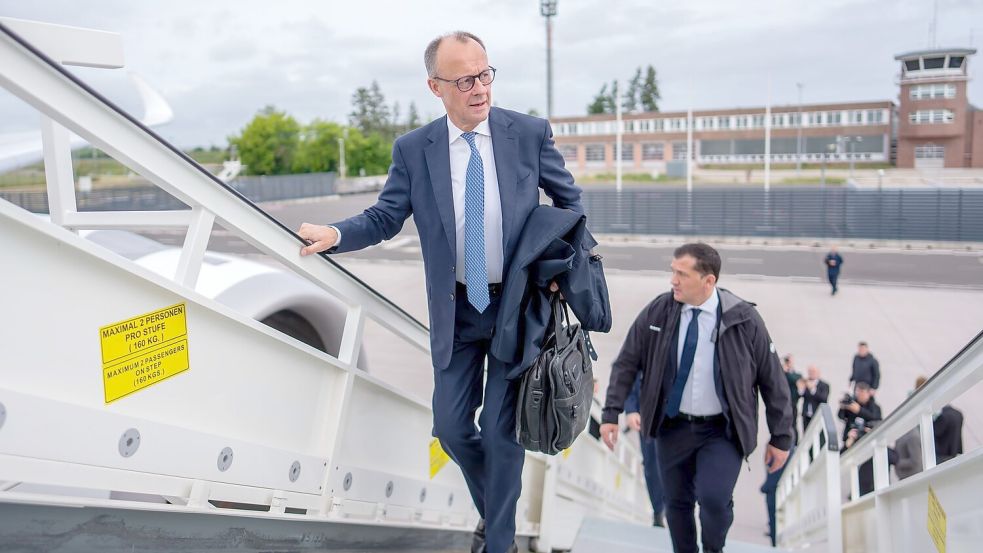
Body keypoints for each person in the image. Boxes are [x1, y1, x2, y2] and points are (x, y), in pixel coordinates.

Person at [296, 31, 582, 553]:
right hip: (458, 311)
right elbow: (385, 217)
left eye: (485, 74)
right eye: (465, 80)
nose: (480, 88)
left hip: (518, 309)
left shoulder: (527, 133)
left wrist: (568, 267)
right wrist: (335, 234)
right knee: (450, 429)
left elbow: (571, 204)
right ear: (436, 86)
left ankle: (501, 543)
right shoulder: (414, 149)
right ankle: (495, 511)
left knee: (502, 435)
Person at [600, 243, 793, 553]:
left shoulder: (744, 320)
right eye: (673, 272)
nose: (673, 280)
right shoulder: (658, 311)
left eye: (682, 274)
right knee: (676, 503)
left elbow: (773, 380)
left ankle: (714, 549)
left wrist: (781, 437)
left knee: (714, 499)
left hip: (721, 431)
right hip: (671, 427)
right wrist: (611, 413)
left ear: (708, 281)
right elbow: (626, 362)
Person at [625, 372, 665, 527]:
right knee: (651, 466)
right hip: (649, 415)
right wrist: (630, 409)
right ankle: (659, 511)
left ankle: (673, 508)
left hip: (680, 417)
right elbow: (627, 368)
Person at [799, 365, 830, 433]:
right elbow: (801, 396)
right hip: (806, 414)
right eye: (810, 371)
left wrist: (812, 389)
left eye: (813, 371)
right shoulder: (805, 382)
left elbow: (824, 399)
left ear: (818, 373)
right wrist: (800, 389)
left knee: (816, 433)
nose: (811, 373)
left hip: (817, 414)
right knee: (806, 432)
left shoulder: (824, 385)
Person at [782, 354, 803, 443]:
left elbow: (797, 381)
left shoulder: (797, 375)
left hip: (793, 403)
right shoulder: (781, 373)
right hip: (782, 403)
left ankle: (794, 443)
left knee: (793, 424)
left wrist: (787, 372)